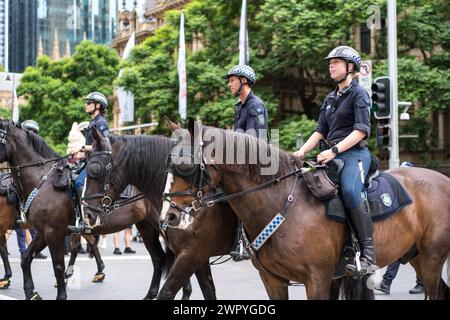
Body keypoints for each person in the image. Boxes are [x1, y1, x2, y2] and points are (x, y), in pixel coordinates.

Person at [294, 46, 375, 275]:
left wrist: (335, 150)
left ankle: (368, 255)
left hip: (354, 155)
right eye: (330, 62)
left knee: (350, 191)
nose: (331, 65)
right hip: (330, 156)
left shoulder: (359, 94)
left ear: (350, 68)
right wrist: (299, 153)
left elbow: (361, 131)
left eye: (336, 62)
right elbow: (320, 130)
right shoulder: (330, 97)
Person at [226, 64, 268, 261]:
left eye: (232, 80)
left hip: (253, 164)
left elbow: (256, 142)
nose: (229, 84)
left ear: (244, 81)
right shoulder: (240, 107)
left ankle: (242, 240)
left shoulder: (255, 106)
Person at [374, 161, 424, 295]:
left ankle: (421, 283)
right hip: (405, 230)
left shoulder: (419, 193)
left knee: (422, 255)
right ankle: (386, 283)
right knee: (396, 254)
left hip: (416, 231)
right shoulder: (399, 190)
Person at [68, 92, 110, 233]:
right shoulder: (93, 123)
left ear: (98, 105)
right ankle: (75, 215)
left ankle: (86, 220)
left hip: (98, 162)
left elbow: (102, 146)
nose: (86, 105)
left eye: (89, 103)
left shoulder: (101, 123)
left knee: (80, 183)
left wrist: (81, 148)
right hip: (89, 160)